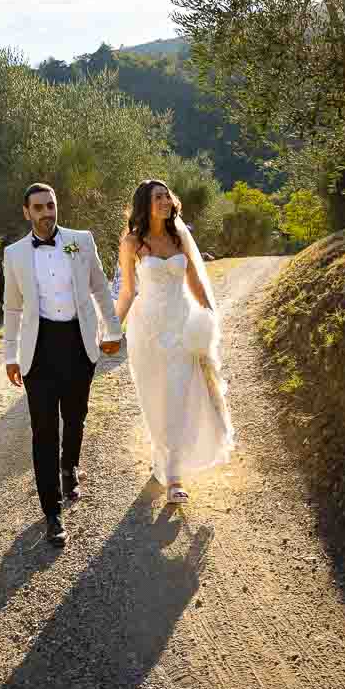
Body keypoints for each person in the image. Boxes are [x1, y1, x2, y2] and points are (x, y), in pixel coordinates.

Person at [3, 184, 122, 546]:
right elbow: (12, 307)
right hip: (37, 351)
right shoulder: (15, 253)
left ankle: (69, 465)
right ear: (26, 212)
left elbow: (101, 288)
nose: (46, 213)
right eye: (38, 207)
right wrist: (10, 355)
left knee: (76, 416)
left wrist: (112, 328)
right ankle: (52, 513)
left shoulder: (81, 240)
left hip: (77, 342)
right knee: (43, 430)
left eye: (50, 205)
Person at [115, 179, 233, 505]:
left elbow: (195, 282)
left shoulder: (180, 238)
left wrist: (209, 316)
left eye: (167, 196)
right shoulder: (132, 243)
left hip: (182, 326)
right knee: (155, 398)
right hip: (147, 330)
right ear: (145, 204)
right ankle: (161, 457)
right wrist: (111, 328)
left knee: (178, 396)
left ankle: (175, 475)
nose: (165, 201)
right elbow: (128, 291)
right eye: (158, 197)